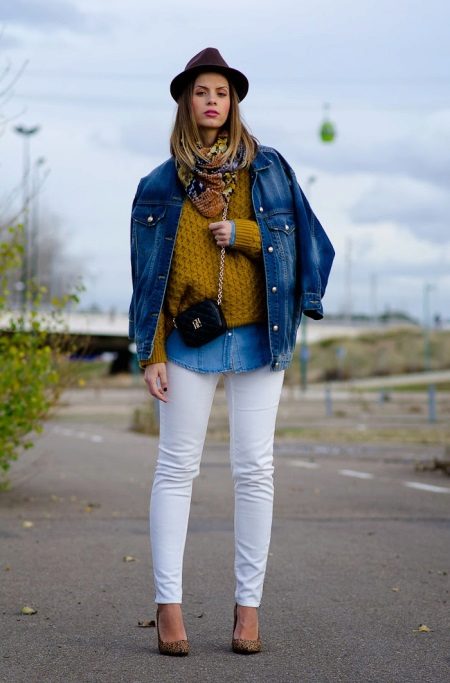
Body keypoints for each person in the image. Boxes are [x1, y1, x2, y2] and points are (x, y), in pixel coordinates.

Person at [128, 47, 334, 656]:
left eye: (221, 92)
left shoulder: (268, 170)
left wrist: (246, 234)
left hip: (259, 335)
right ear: (186, 103)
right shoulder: (158, 185)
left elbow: (305, 241)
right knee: (176, 468)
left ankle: (248, 609)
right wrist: (149, 351)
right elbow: (146, 279)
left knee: (254, 469)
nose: (212, 101)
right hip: (187, 340)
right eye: (201, 92)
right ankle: (168, 605)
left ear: (234, 103)